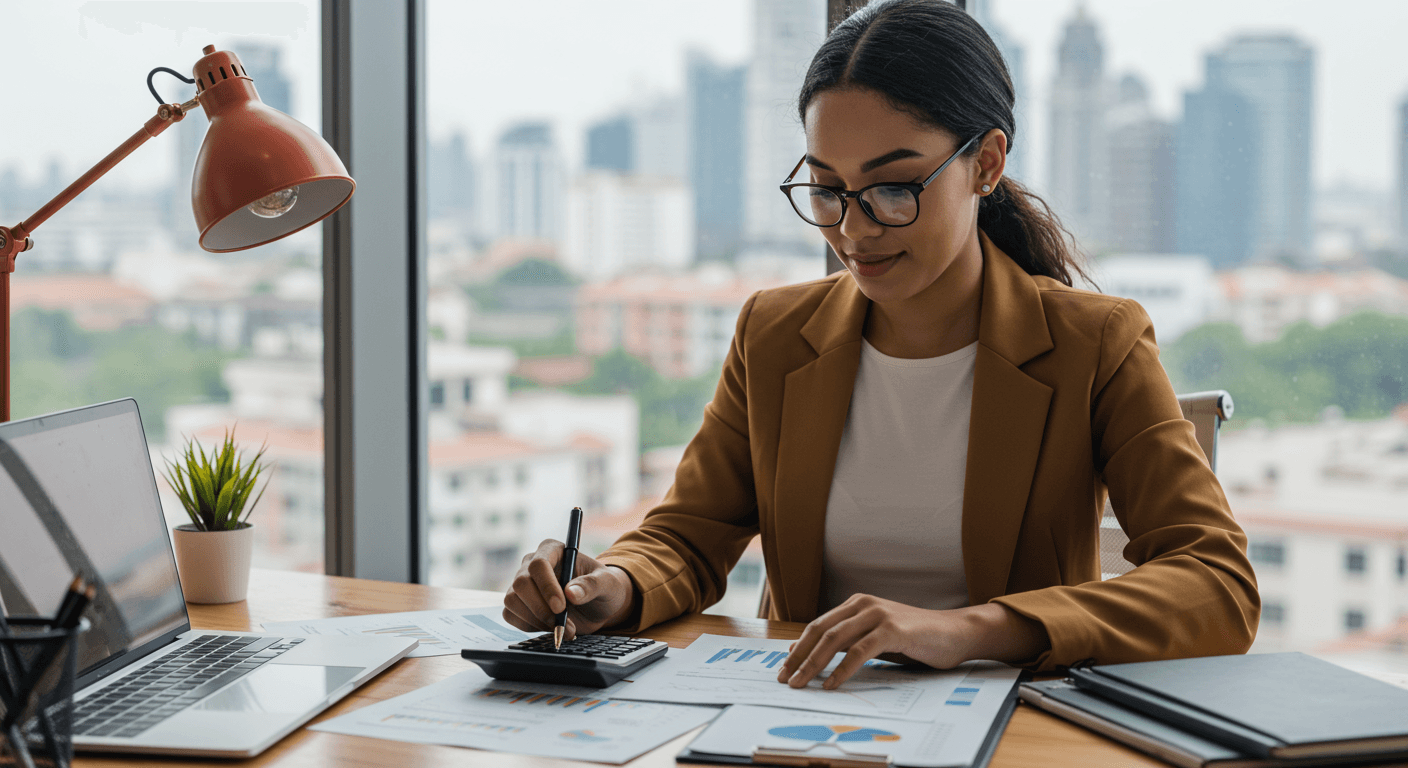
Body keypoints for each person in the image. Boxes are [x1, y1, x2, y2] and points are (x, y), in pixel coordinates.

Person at [502, 0, 1259, 687]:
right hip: (797, 718)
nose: (853, 231)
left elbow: (1218, 583)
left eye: (894, 188)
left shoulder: (1093, 342)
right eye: (827, 189)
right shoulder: (775, 334)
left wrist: (968, 630)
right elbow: (690, 537)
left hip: (1008, 730)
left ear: (986, 164)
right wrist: (614, 585)